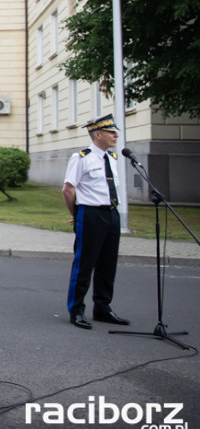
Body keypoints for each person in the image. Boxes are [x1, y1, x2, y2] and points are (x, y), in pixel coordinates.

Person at [62, 114, 130, 330]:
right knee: (84, 263)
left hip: (111, 214)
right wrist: (75, 212)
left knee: (108, 264)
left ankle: (102, 308)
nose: (116, 135)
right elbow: (68, 189)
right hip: (90, 214)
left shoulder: (112, 158)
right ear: (97, 134)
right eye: (111, 132)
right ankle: (77, 310)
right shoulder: (81, 158)